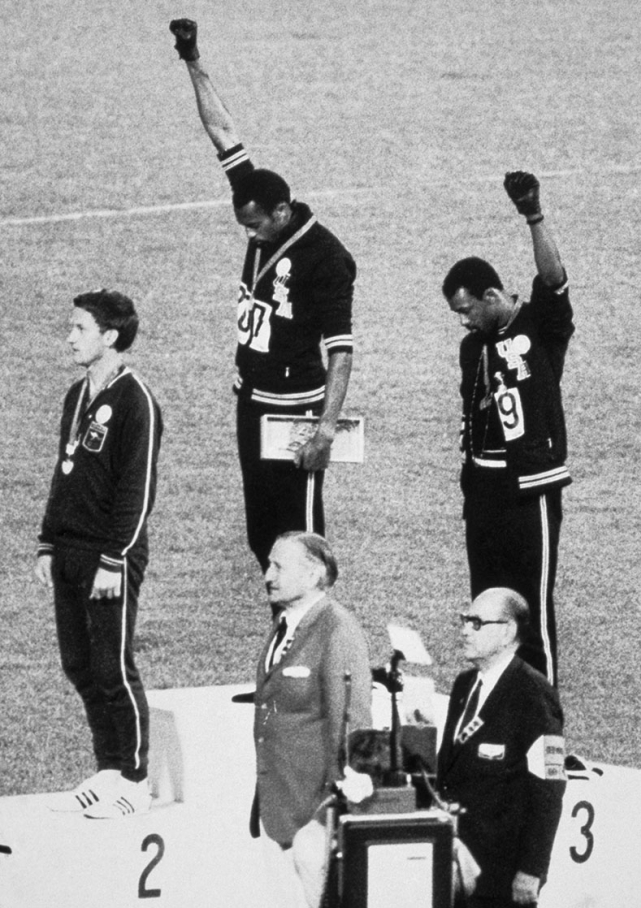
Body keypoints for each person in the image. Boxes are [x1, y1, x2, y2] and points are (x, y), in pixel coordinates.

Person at [169, 19, 357, 570]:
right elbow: (222, 130)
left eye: (256, 228)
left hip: (295, 409)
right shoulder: (257, 198)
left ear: (282, 211)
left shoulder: (327, 258)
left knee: (299, 537)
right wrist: (192, 57)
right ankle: (286, 624)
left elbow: (341, 349)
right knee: (260, 535)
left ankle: (316, 636)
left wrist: (325, 427)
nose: (250, 236)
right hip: (251, 400)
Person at [442, 172, 575, 685]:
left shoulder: (540, 326)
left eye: (467, 309)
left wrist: (533, 215)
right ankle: (499, 714)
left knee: (532, 612)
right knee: (488, 607)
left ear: (493, 293)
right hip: (482, 490)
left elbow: (555, 278)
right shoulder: (472, 347)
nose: (463, 321)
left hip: (528, 488)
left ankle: (548, 733)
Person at [35, 290, 163, 819]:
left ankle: (135, 778)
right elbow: (64, 472)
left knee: (112, 666)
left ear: (110, 337)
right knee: (79, 664)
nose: (69, 337)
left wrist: (116, 559)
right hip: (68, 549)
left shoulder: (137, 401)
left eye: (79, 329)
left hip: (110, 557)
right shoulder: (76, 394)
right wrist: (47, 540)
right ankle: (108, 765)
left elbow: (138, 490)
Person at [251, 532, 372, 908]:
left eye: (278, 566)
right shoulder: (283, 626)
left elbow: (352, 724)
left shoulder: (338, 630)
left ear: (313, 574)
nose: (268, 575)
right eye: (269, 564)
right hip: (278, 809)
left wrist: (330, 812)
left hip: (314, 815)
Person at [437, 588, 566, 907]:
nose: (465, 630)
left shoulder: (534, 695)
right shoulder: (464, 686)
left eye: (477, 622)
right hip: (454, 859)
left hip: (501, 874)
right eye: (465, 620)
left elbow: (548, 789)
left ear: (508, 631)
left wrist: (532, 870)